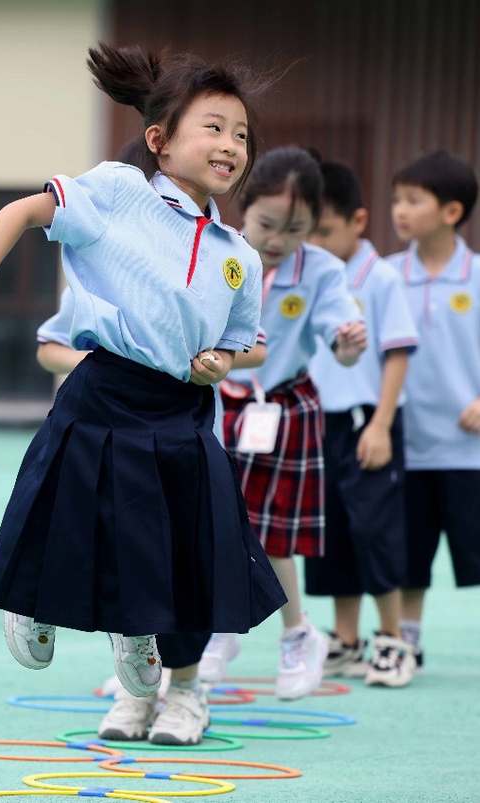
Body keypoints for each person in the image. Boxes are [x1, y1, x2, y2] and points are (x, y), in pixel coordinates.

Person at [0, 42, 286, 746]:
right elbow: (24, 211)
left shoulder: (237, 255)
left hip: (183, 411)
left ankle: (178, 687)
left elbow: (252, 341)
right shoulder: (118, 192)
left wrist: (223, 358)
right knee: (63, 500)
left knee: (183, 554)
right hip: (105, 388)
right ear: (159, 142)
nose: (231, 145)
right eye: (214, 128)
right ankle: (32, 604)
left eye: (242, 134)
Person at [203, 146, 368, 699]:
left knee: (270, 534)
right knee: (213, 524)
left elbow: (341, 340)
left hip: (284, 407)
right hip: (219, 401)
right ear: (243, 207)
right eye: (267, 224)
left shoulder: (321, 270)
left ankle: (297, 634)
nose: (277, 240)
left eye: (295, 230)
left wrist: (349, 343)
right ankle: (220, 631)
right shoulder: (216, 249)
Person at [305, 159, 420, 687]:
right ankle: (346, 640)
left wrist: (380, 424)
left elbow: (397, 354)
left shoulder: (382, 279)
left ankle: (393, 639)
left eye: (325, 231)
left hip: (367, 424)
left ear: (357, 221)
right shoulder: (309, 276)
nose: (316, 242)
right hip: (317, 426)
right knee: (330, 535)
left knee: (376, 530)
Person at [388, 150, 480, 674]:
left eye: (412, 200)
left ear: (450, 211)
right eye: (397, 199)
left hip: (469, 450)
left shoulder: (477, 277)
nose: (399, 210)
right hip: (408, 443)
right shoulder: (384, 274)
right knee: (409, 556)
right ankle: (407, 640)